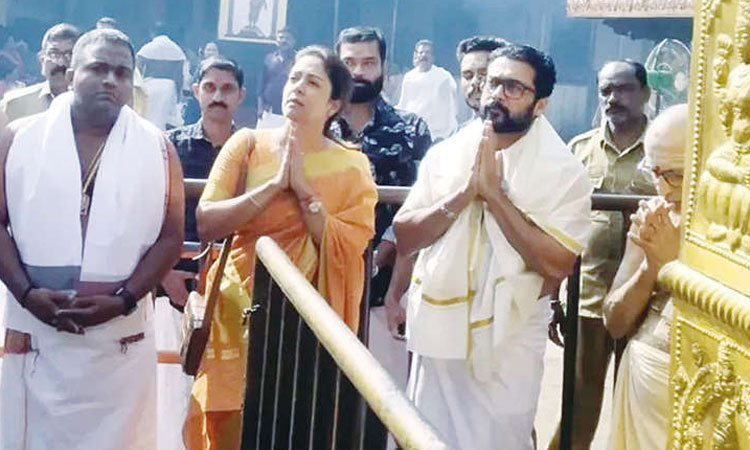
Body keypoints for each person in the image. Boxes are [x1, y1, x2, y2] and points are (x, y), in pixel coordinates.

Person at [394, 44, 592, 449]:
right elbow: (406, 235)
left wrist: (496, 199)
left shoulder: (564, 172)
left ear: (540, 105)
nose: (496, 94)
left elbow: (557, 265)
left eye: (513, 88)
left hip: (511, 339)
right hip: (440, 332)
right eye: (492, 83)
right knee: (428, 436)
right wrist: (464, 194)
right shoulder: (446, 155)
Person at [183, 45, 377, 450]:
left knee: (291, 423)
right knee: (230, 426)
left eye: (312, 82)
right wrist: (273, 188)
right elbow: (207, 220)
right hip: (237, 313)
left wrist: (306, 195)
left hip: (305, 320)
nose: (298, 88)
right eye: (294, 78)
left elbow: (352, 242)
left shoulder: (352, 166)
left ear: (334, 103)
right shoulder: (247, 145)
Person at [0, 28, 184, 449]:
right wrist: (28, 296)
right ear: (69, 74)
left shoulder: (157, 148)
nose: (111, 81)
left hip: (118, 339)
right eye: (98, 68)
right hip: (37, 331)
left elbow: (171, 238)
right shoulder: (19, 138)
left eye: (122, 73)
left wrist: (123, 300)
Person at [547, 59, 656, 450]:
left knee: (639, 408)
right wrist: (554, 299)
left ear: (644, 93)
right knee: (579, 405)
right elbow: (559, 226)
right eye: (606, 90)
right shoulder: (579, 150)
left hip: (648, 303)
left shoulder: (666, 151)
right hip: (588, 301)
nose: (614, 98)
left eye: (624, 89)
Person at [383, 34, 506, 339]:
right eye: (468, 75)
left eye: (485, 74)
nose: (476, 84)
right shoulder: (447, 149)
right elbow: (412, 230)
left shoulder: (529, 145)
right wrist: (396, 293)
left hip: (503, 304)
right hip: (442, 296)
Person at [603, 104, 687, 450]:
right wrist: (652, 266)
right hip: (645, 372)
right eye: (654, 172)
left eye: (676, 175)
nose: (663, 187)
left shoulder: (730, 224)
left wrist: (674, 268)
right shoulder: (653, 220)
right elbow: (615, 321)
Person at [0, 23, 80, 122]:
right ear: (42, 60)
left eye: (69, 54)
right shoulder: (15, 105)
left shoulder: (95, 106)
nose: (61, 62)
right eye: (53, 54)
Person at [397, 39, 458, 140]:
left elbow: (451, 105)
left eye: (427, 52)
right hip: (415, 128)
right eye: (421, 52)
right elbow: (404, 103)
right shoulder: (409, 77)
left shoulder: (443, 77)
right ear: (416, 55)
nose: (423, 56)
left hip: (438, 131)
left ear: (433, 57)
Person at [137, 33, 188, 130]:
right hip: (168, 87)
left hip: (147, 86)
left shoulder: (147, 48)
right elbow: (179, 76)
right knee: (162, 117)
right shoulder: (176, 50)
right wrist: (178, 96)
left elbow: (137, 71)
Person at [257, 28, 295, 128]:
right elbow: (261, 85)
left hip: (289, 109)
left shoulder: (298, 59)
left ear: (293, 41)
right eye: (281, 37)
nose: (284, 41)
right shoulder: (269, 59)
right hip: (269, 109)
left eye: (287, 38)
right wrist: (260, 107)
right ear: (276, 40)